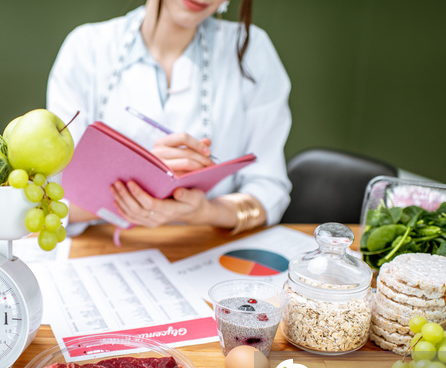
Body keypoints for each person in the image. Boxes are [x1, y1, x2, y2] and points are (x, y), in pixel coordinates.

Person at [47, 0, 292, 235]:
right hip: (103, 251)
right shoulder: (86, 49)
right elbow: (51, 199)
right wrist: (143, 181)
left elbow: (269, 190)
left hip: (205, 250)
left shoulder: (250, 49)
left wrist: (205, 211)